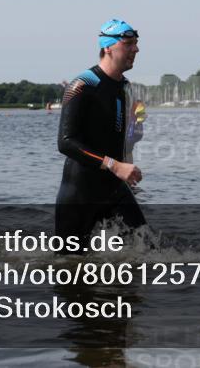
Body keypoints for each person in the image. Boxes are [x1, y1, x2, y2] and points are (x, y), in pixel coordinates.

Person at [55, 19, 145, 249]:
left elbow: (123, 136)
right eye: (129, 44)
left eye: (136, 43)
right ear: (108, 47)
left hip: (114, 189)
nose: (136, 49)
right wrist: (116, 166)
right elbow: (66, 143)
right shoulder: (82, 84)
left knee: (145, 251)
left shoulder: (127, 87)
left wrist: (134, 132)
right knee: (69, 267)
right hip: (79, 194)